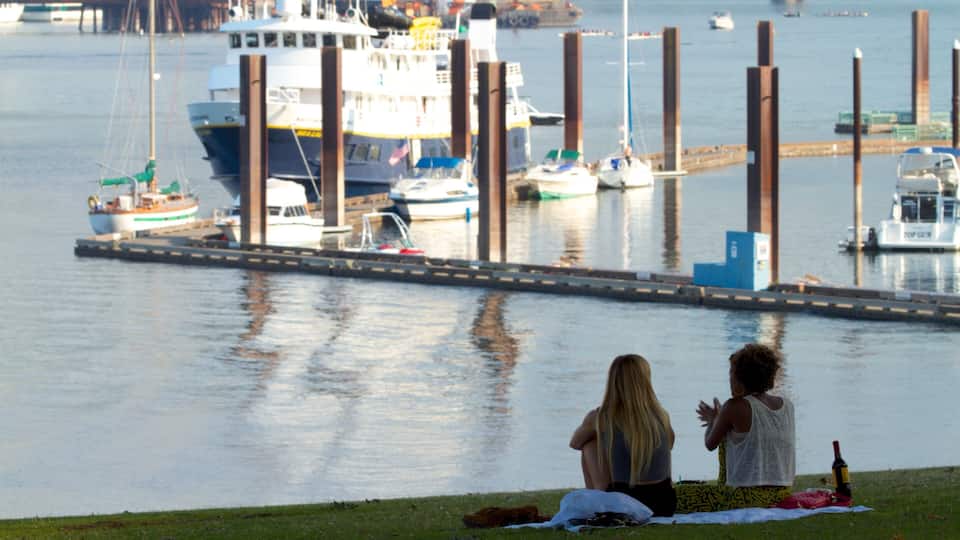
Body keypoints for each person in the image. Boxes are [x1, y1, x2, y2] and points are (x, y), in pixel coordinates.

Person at [677, 343, 795, 512]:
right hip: (782, 494)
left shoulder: (734, 406)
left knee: (676, 495)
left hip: (744, 497)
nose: (729, 379)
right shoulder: (787, 405)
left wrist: (713, 420)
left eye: (731, 373)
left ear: (740, 377)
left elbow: (710, 443)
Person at [569, 354, 677, 517]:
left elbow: (575, 443)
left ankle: (597, 502)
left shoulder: (600, 417)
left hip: (623, 505)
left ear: (614, 382)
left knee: (589, 445)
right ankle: (599, 501)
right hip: (664, 504)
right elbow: (670, 444)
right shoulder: (661, 416)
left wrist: (597, 431)